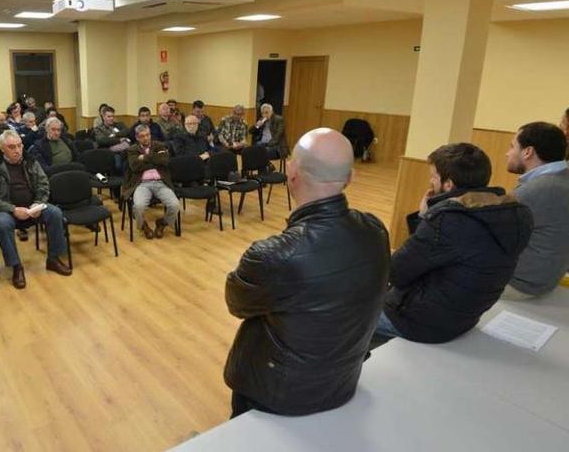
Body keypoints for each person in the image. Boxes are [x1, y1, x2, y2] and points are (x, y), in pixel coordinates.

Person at [224, 128, 390, 417]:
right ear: (350, 178)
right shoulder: (375, 230)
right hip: (343, 380)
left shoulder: (272, 255)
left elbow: (237, 304)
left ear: (292, 174)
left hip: (279, 395)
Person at [376, 143, 532, 343]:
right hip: (464, 317)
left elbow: (396, 272)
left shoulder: (450, 219)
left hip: (421, 324)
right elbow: (433, 254)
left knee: (342, 308)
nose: (430, 181)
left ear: (448, 184)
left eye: (433, 176)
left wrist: (427, 217)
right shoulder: (517, 212)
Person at [0, 130, 72, 288]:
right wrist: (13, 209)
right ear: (2, 148)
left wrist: (38, 202)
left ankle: (53, 259)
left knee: (55, 213)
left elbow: (44, 184)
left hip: (32, 206)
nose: (17, 150)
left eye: (19, 146)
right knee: (2, 224)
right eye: (11, 147)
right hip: (6, 210)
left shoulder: (30, 161)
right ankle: (16, 266)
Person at [504, 122, 569, 297]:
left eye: (512, 147)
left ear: (528, 152)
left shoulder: (539, 188)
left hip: (519, 284)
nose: (507, 153)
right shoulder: (563, 178)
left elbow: (490, 231)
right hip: (547, 280)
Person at [123, 124, 180, 239]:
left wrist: (143, 158)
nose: (146, 138)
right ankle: (143, 226)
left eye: (148, 135)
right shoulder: (132, 149)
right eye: (142, 136)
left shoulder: (159, 145)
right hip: (142, 184)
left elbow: (164, 160)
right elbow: (135, 167)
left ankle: (162, 223)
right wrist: (154, 158)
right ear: (137, 138)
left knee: (175, 205)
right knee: (138, 207)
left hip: (161, 182)